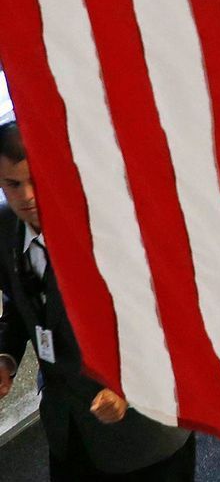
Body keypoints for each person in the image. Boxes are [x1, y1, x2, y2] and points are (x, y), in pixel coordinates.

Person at [0, 121, 196, 480]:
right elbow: (20, 303)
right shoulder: (5, 228)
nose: (26, 196)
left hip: (144, 436)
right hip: (68, 427)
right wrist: (6, 356)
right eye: (13, 185)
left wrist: (130, 386)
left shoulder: (112, 229)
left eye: (36, 180)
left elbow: (168, 320)